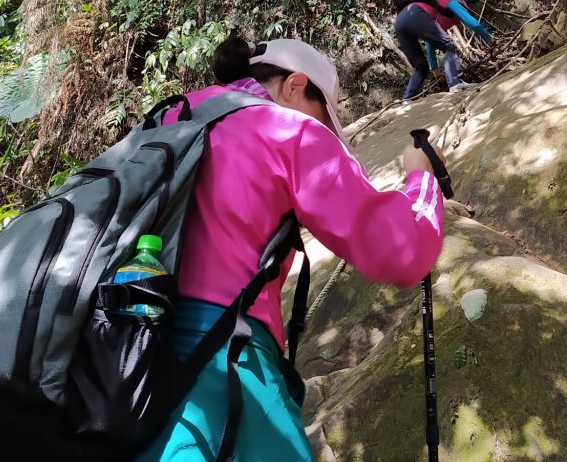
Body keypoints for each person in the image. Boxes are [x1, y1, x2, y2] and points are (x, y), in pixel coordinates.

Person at [135, 35, 445, 462]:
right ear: (295, 85)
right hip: (227, 352)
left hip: (128, 349)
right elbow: (401, 252)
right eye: (323, 115)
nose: (323, 129)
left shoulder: (169, 117)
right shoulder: (284, 128)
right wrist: (421, 180)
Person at [393, 0, 493, 100]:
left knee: (421, 66)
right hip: (415, 12)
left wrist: (434, 68)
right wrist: (489, 38)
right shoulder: (452, 3)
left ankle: (408, 98)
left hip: (400, 21)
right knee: (449, 45)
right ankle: (455, 83)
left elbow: (431, 42)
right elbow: (472, 23)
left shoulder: (436, 14)